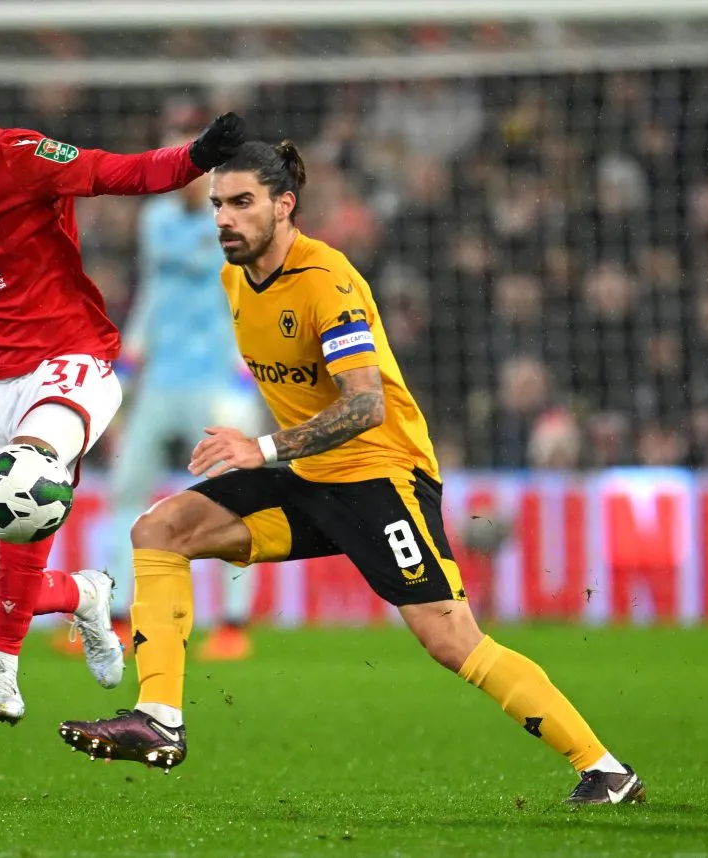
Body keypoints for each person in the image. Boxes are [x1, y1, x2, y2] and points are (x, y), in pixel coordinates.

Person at [57, 141, 645, 806]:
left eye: (242, 203)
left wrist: (265, 448)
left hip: (379, 476)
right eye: (218, 203)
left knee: (451, 640)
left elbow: (366, 404)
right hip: (304, 475)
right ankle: (159, 718)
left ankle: (605, 769)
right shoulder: (233, 278)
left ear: (285, 206)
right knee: (160, 529)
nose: (224, 218)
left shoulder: (326, 283)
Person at [0, 68, 245, 726]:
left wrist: (196, 158)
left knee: (23, 481)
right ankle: (87, 593)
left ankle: (2, 664)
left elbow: (114, 172)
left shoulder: (19, 158)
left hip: (65, 364)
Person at [105, 125, 265, 661]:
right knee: (126, 491)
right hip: (160, 382)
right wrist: (129, 361)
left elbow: (244, 287)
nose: (188, 175)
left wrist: (248, 370)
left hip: (218, 381)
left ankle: (233, 624)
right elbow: (158, 287)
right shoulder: (156, 221)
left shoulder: (232, 221)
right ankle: (120, 619)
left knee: (236, 498)